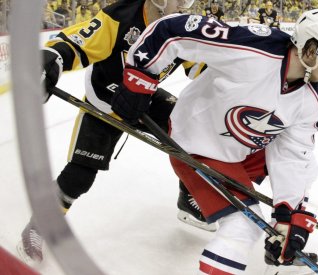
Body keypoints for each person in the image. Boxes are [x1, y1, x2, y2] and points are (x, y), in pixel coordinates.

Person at [111, 8, 318, 273]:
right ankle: (200, 201)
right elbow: (173, 29)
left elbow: (294, 157)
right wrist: (140, 78)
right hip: (199, 144)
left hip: (240, 150)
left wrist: (288, 215)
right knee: (244, 225)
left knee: (298, 162)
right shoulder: (256, 47)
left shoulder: (314, 102)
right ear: (312, 50)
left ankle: (224, 207)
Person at [17, 0, 217, 264]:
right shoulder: (121, 15)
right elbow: (77, 42)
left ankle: (187, 199)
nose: (185, 3)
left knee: (193, 133)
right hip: (105, 100)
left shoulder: (181, 26)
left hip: (144, 98)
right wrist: (53, 57)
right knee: (80, 175)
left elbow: (202, 67)